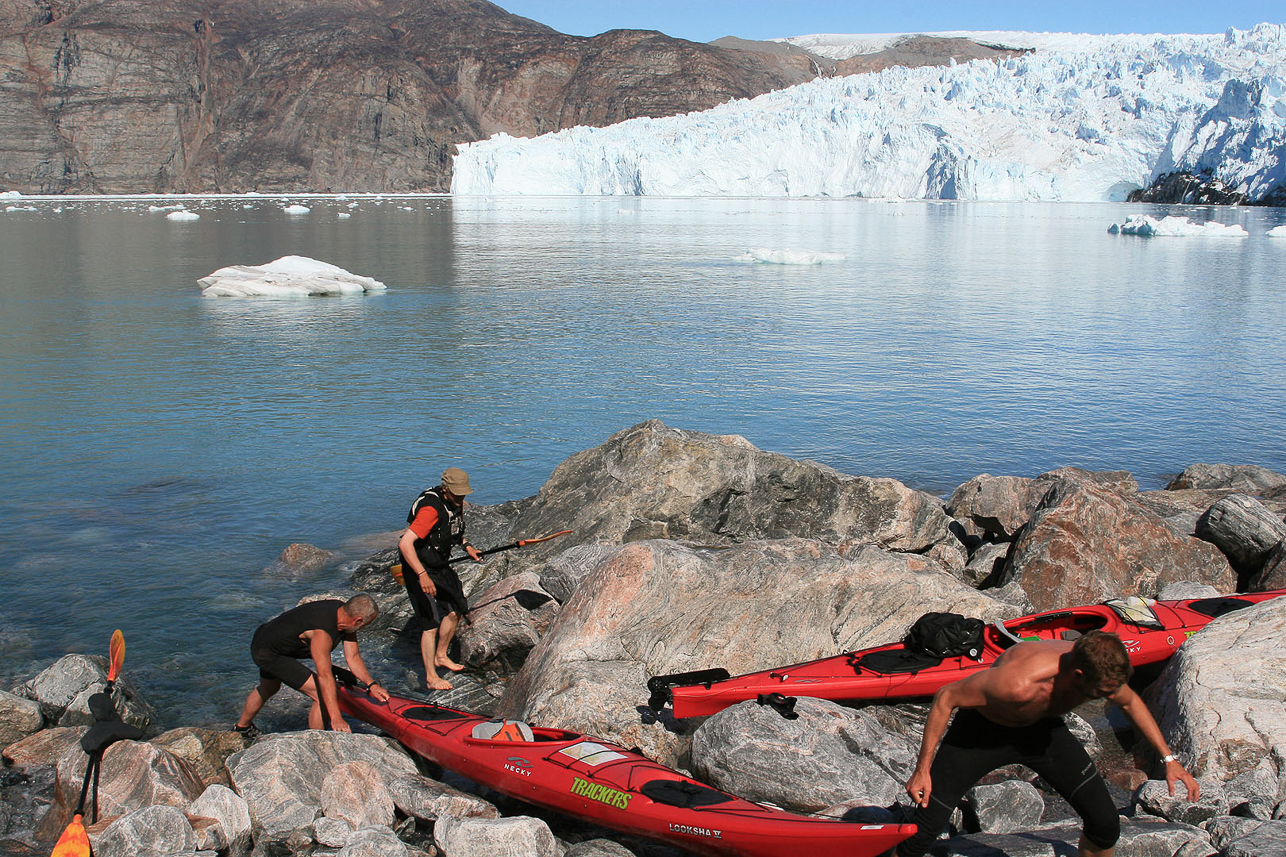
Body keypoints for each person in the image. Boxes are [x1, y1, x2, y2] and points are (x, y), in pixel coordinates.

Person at [898, 630, 1199, 857]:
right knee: (921, 835)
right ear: (1078, 675)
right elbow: (946, 697)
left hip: (1041, 734)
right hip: (980, 736)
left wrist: (1169, 760)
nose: (1110, 695)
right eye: (1102, 692)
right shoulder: (1016, 684)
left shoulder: (1097, 669)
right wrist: (923, 768)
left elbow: (1130, 702)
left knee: (1105, 824)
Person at [235, 594, 389, 738]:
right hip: (268, 651)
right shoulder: (322, 633)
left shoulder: (344, 615)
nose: (363, 629)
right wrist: (337, 718)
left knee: (269, 688)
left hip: (272, 640)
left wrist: (372, 684)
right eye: (365, 625)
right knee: (321, 692)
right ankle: (317, 741)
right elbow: (324, 676)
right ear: (358, 621)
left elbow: (353, 657)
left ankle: (242, 728)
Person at [398, 467, 482, 690]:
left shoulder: (455, 501)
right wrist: (422, 575)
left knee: (455, 609)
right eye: (457, 494)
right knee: (430, 623)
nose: (461, 498)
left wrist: (467, 546)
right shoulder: (430, 510)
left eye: (463, 494)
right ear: (445, 490)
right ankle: (430, 677)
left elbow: (454, 528)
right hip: (418, 565)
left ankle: (441, 655)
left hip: (438, 562)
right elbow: (405, 544)